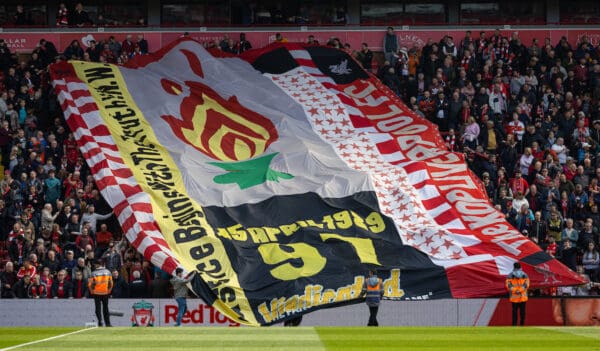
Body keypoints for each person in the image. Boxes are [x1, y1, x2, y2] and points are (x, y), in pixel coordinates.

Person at [88, 259, 113, 327]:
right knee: (106, 309)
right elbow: (111, 283)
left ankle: (100, 322)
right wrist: (109, 291)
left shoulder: (93, 273)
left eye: (95, 264)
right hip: (105, 293)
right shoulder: (108, 272)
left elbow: (90, 284)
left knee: (98, 309)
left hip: (96, 293)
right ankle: (108, 323)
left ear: (97, 264)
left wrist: (92, 292)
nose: (94, 265)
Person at [505, 262, 530, 326]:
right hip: (522, 297)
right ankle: (522, 325)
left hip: (514, 297)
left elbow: (508, 285)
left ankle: (514, 325)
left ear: (514, 267)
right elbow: (526, 284)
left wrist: (515, 290)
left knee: (514, 312)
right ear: (520, 267)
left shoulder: (510, 275)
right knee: (522, 313)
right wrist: (520, 290)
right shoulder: (525, 274)